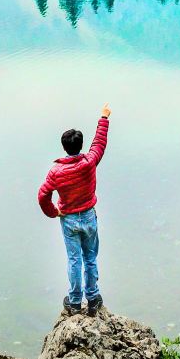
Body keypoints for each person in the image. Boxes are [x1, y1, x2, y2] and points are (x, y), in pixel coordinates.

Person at [37, 104, 110, 316]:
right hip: (88, 216)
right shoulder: (89, 162)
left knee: (74, 260)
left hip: (68, 219)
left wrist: (53, 212)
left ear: (64, 147)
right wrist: (104, 118)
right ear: (80, 145)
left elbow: (43, 195)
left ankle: (75, 302)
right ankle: (94, 298)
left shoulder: (56, 172)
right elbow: (100, 142)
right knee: (90, 258)